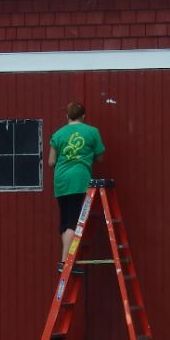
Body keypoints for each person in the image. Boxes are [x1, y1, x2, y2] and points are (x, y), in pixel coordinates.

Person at [48, 102, 106, 267]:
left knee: (65, 220)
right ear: (83, 116)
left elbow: (51, 162)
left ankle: (66, 258)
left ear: (67, 116)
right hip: (80, 180)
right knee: (74, 220)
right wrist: (85, 159)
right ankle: (66, 260)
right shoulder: (92, 132)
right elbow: (100, 157)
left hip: (61, 180)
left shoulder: (58, 134)